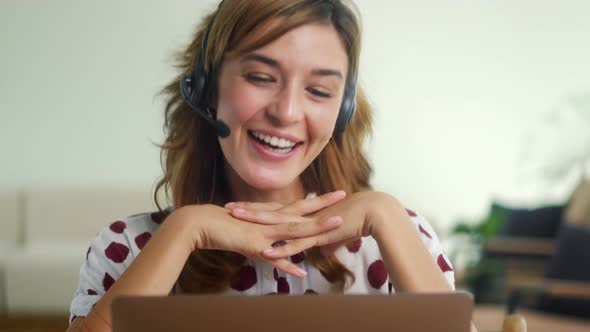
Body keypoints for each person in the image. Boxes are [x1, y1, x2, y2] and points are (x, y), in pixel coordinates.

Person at [68, 1, 466, 331]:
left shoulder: (398, 236)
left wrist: (386, 214)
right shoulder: (127, 247)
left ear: (341, 112)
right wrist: (185, 230)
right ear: (207, 89)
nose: (287, 112)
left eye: (319, 90)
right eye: (261, 77)